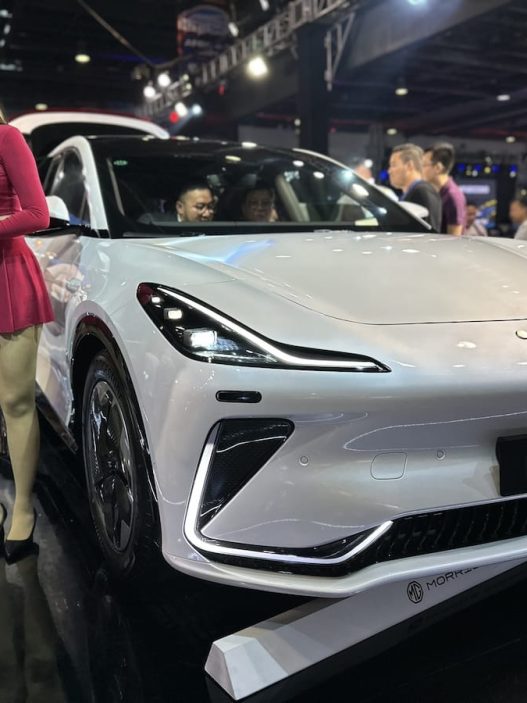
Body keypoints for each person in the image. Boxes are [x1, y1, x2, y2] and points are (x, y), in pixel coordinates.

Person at [0, 111, 53, 563]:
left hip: (7, 278)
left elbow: (38, 213)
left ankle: (22, 507)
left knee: (16, 402)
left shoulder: (7, 137)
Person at [388, 143, 442, 232]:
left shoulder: (422, 192)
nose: (389, 171)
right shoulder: (417, 191)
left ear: (409, 166)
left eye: (393, 165)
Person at [423, 142, 467, 235]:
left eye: (424, 165)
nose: (421, 170)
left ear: (438, 168)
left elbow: (454, 238)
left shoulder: (452, 196)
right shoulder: (438, 192)